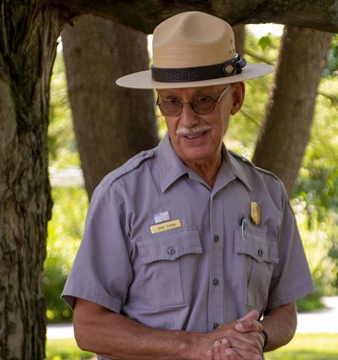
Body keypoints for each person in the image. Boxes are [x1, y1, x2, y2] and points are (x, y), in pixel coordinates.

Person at [62, 11, 315, 360]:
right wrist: (194, 345)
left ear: (236, 98)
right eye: (171, 102)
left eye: (203, 100)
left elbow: (285, 312)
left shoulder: (268, 194)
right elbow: (88, 327)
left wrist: (256, 336)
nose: (187, 120)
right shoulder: (122, 194)